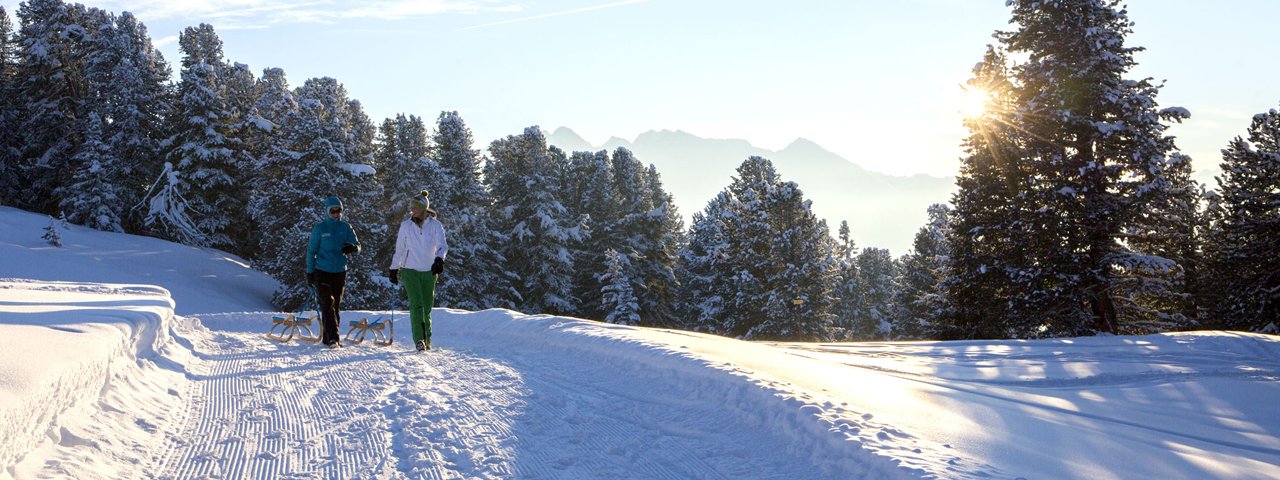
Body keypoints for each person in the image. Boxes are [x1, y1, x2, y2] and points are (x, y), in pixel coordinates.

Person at [389, 190, 448, 352]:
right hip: (410, 270)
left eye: (414, 207)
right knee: (416, 305)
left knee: (427, 306)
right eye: (411, 207)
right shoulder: (406, 226)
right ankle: (419, 340)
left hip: (429, 271)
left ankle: (427, 339)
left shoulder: (435, 225)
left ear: (423, 208)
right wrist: (394, 268)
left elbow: (442, 245)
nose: (411, 210)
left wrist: (439, 259)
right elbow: (399, 249)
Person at [306, 196, 361, 348]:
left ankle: (327, 338)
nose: (336, 214)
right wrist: (310, 272)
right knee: (327, 303)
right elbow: (311, 251)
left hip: (339, 272)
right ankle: (334, 339)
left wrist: (354, 248)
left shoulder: (346, 227)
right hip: (322, 271)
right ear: (327, 211)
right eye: (333, 211)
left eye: (339, 211)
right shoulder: (320, 228)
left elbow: (357, 245)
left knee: (335, 305)